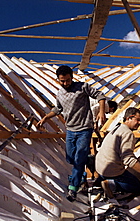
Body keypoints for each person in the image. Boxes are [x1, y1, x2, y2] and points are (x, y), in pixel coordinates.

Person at [37, 65, 106, 202]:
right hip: (70, 129)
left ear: (72, 77)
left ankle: (73, 188)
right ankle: (88, 159)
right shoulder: (60, 93)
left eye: (68, 80)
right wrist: (45, 117)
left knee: (78, 160)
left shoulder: (83, 87)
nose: (65, 83)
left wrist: (102, 112)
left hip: (85, 129)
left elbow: (100, 96)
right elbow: (58, 108)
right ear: (58, 79)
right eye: (62, 81)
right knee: (70, 158)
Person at [95, 107, 140, 199]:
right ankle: (111, 184)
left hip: (100, 167)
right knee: (136, 187)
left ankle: (100, 181)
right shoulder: (127, 133)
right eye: (137, 120)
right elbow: (128, 159)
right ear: (128, 118)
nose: (139, 123)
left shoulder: (117, 128)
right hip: (111, 171)